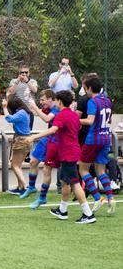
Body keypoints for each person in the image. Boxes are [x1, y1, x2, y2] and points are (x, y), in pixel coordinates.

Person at [28, 90, 95, 224]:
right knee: (65, 181)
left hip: (68, 153)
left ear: (59, 101)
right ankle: (63, 211)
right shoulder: (74, 115)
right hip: (71, 151)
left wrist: (34, 136)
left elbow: (53, 130)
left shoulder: (61, 115)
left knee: (75, 184)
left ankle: (88, 214)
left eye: (56, 100)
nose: (54, 103)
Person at [77, 76, 115, 215]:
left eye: (85, 88)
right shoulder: (108, 101)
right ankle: (111, 198)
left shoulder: (93, 101)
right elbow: (109, 119)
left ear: (90, 88)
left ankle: (98, 198)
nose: (84, 90)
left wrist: (75, 119)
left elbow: (90, 120)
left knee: (83, 170)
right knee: (100, 171)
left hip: (93, 139)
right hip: (106, 138)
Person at [22, 90, 59, 206]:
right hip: (47, 139)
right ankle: (32, 187)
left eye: (43, 100)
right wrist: (31, 104)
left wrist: (35, 107)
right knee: (33, 162)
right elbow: (41, 114)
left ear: (50, 99)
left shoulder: (57, 108)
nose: (41, 102)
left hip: (56, 141)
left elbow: (47, 119)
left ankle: (42, 198)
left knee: (47, 169)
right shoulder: (49, 108)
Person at [2, 96, 33, 195]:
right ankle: (20, 187)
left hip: (21, 140)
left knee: (14, 165)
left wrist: (4, 108)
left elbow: (9, 118)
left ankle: (25, 187)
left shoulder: (21, 113)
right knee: (18, 165)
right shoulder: (24, 112)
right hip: (25, 139)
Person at [7, 65, 38, 129]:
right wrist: (17, 81)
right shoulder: (14, 81)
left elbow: (35, 90)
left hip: (29, 110)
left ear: (29, 73)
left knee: (28, 130)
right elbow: (11, 92)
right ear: (19, 73)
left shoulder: (32, 81)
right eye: (22, 72)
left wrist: (27, 81)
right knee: (17, 129)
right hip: (17, 110)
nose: (24, 74)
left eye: (26, 72)